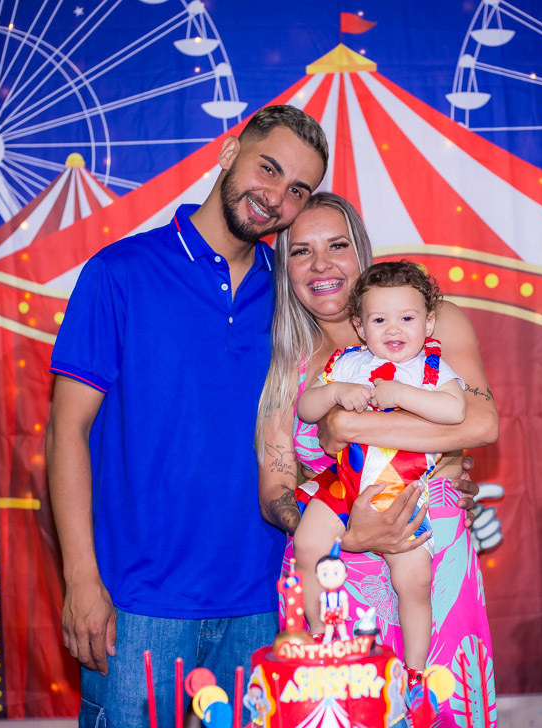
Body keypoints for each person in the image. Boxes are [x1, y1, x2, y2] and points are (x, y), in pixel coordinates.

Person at [46, 105, 329, 727]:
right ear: (229, 153)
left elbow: (359, 388)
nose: (276, 197)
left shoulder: (293, 296)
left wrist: (439, 472)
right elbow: (68, 429)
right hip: (136, 604)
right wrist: (81, 577)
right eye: (268, 168)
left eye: (297, 190)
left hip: (265, 602)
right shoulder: (119, 273)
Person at [255, 192, 499, 720]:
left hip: (427, 548)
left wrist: (348, 425)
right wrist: (350, 536)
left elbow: (480, 423)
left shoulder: (433, 322)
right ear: (284, 269)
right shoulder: (290, 365)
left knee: (438, 705)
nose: (321, 264)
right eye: (300, 251)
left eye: (337, 245)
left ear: (361, 252)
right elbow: (275, 489)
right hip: (334, 566)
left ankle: (417, 673)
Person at [295, 260, 467, 678]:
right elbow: (306, 408)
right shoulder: (347, 363)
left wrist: (403, 394)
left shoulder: (431, 369)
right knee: (307, 542)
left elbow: (456, 411)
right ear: (359, 325)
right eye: (379, 320)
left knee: (414, 579)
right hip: (343, 482)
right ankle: (315, 635)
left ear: (428, 323)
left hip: (402, 489)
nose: (393, 329)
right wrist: (335, 392)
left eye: (406, 318)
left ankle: (415, 668)